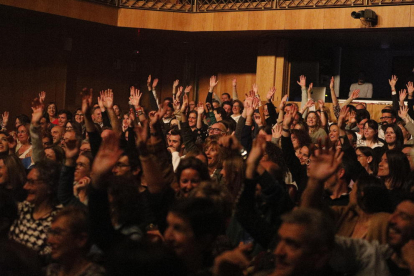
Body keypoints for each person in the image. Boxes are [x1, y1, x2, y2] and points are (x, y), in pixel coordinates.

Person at [9, 160, 62, 258]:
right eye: (27, 181)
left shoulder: (58, 219)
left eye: (31, 182)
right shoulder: (22, 208)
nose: (25, 187)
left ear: (49, 186)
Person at [46, 206, 105, 276]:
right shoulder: (52, 270)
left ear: (81, 239)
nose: (49, 241)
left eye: (58, 233)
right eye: (51, 232)